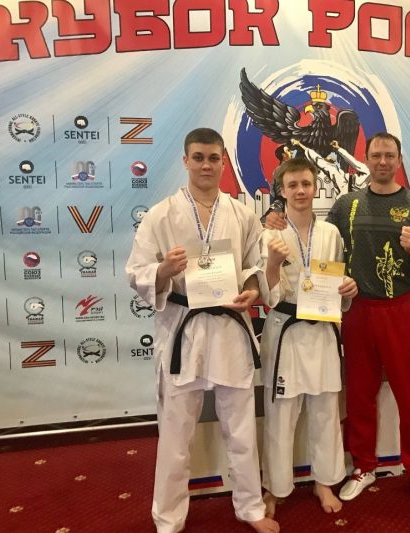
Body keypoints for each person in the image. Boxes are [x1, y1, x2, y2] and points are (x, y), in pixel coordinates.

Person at [266, 132, 410, 509]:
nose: (382, 161)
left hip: (400, 308)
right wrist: (273, 212)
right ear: (366, 158)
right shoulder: (347, 205)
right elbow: (317, 243)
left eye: (389, 155)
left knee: (409, 394)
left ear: (399, 159)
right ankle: (363, 466)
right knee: (359, 394)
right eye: (376, 155)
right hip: (357, 309)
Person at [125, 128, 279, 533]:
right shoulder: (161, 215)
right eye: (198, 157)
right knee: (176, 435)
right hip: (183, 330)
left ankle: (250, 507)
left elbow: (254, 265)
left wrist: (251, 289)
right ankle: (168, 519)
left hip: (229, 329)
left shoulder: (242, 214)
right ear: (186, 161)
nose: (206, 165)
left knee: (241, 429)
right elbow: (136, 272)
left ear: (224, 161)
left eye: (213, 158)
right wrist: (163, 269)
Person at [258, 158, 358, 518]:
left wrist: (348, 289)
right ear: (282, 191)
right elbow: (267, 296)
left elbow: (338, 287)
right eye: (293, 185)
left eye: (306, 184)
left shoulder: (331, 233)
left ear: (316, 187)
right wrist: (272, 263)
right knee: (280, 414)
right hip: (285, 330)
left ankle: (324, 481)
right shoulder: (269, 235)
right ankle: (275, 487)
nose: (300, 191)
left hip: (322, 329)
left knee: (326, 408)